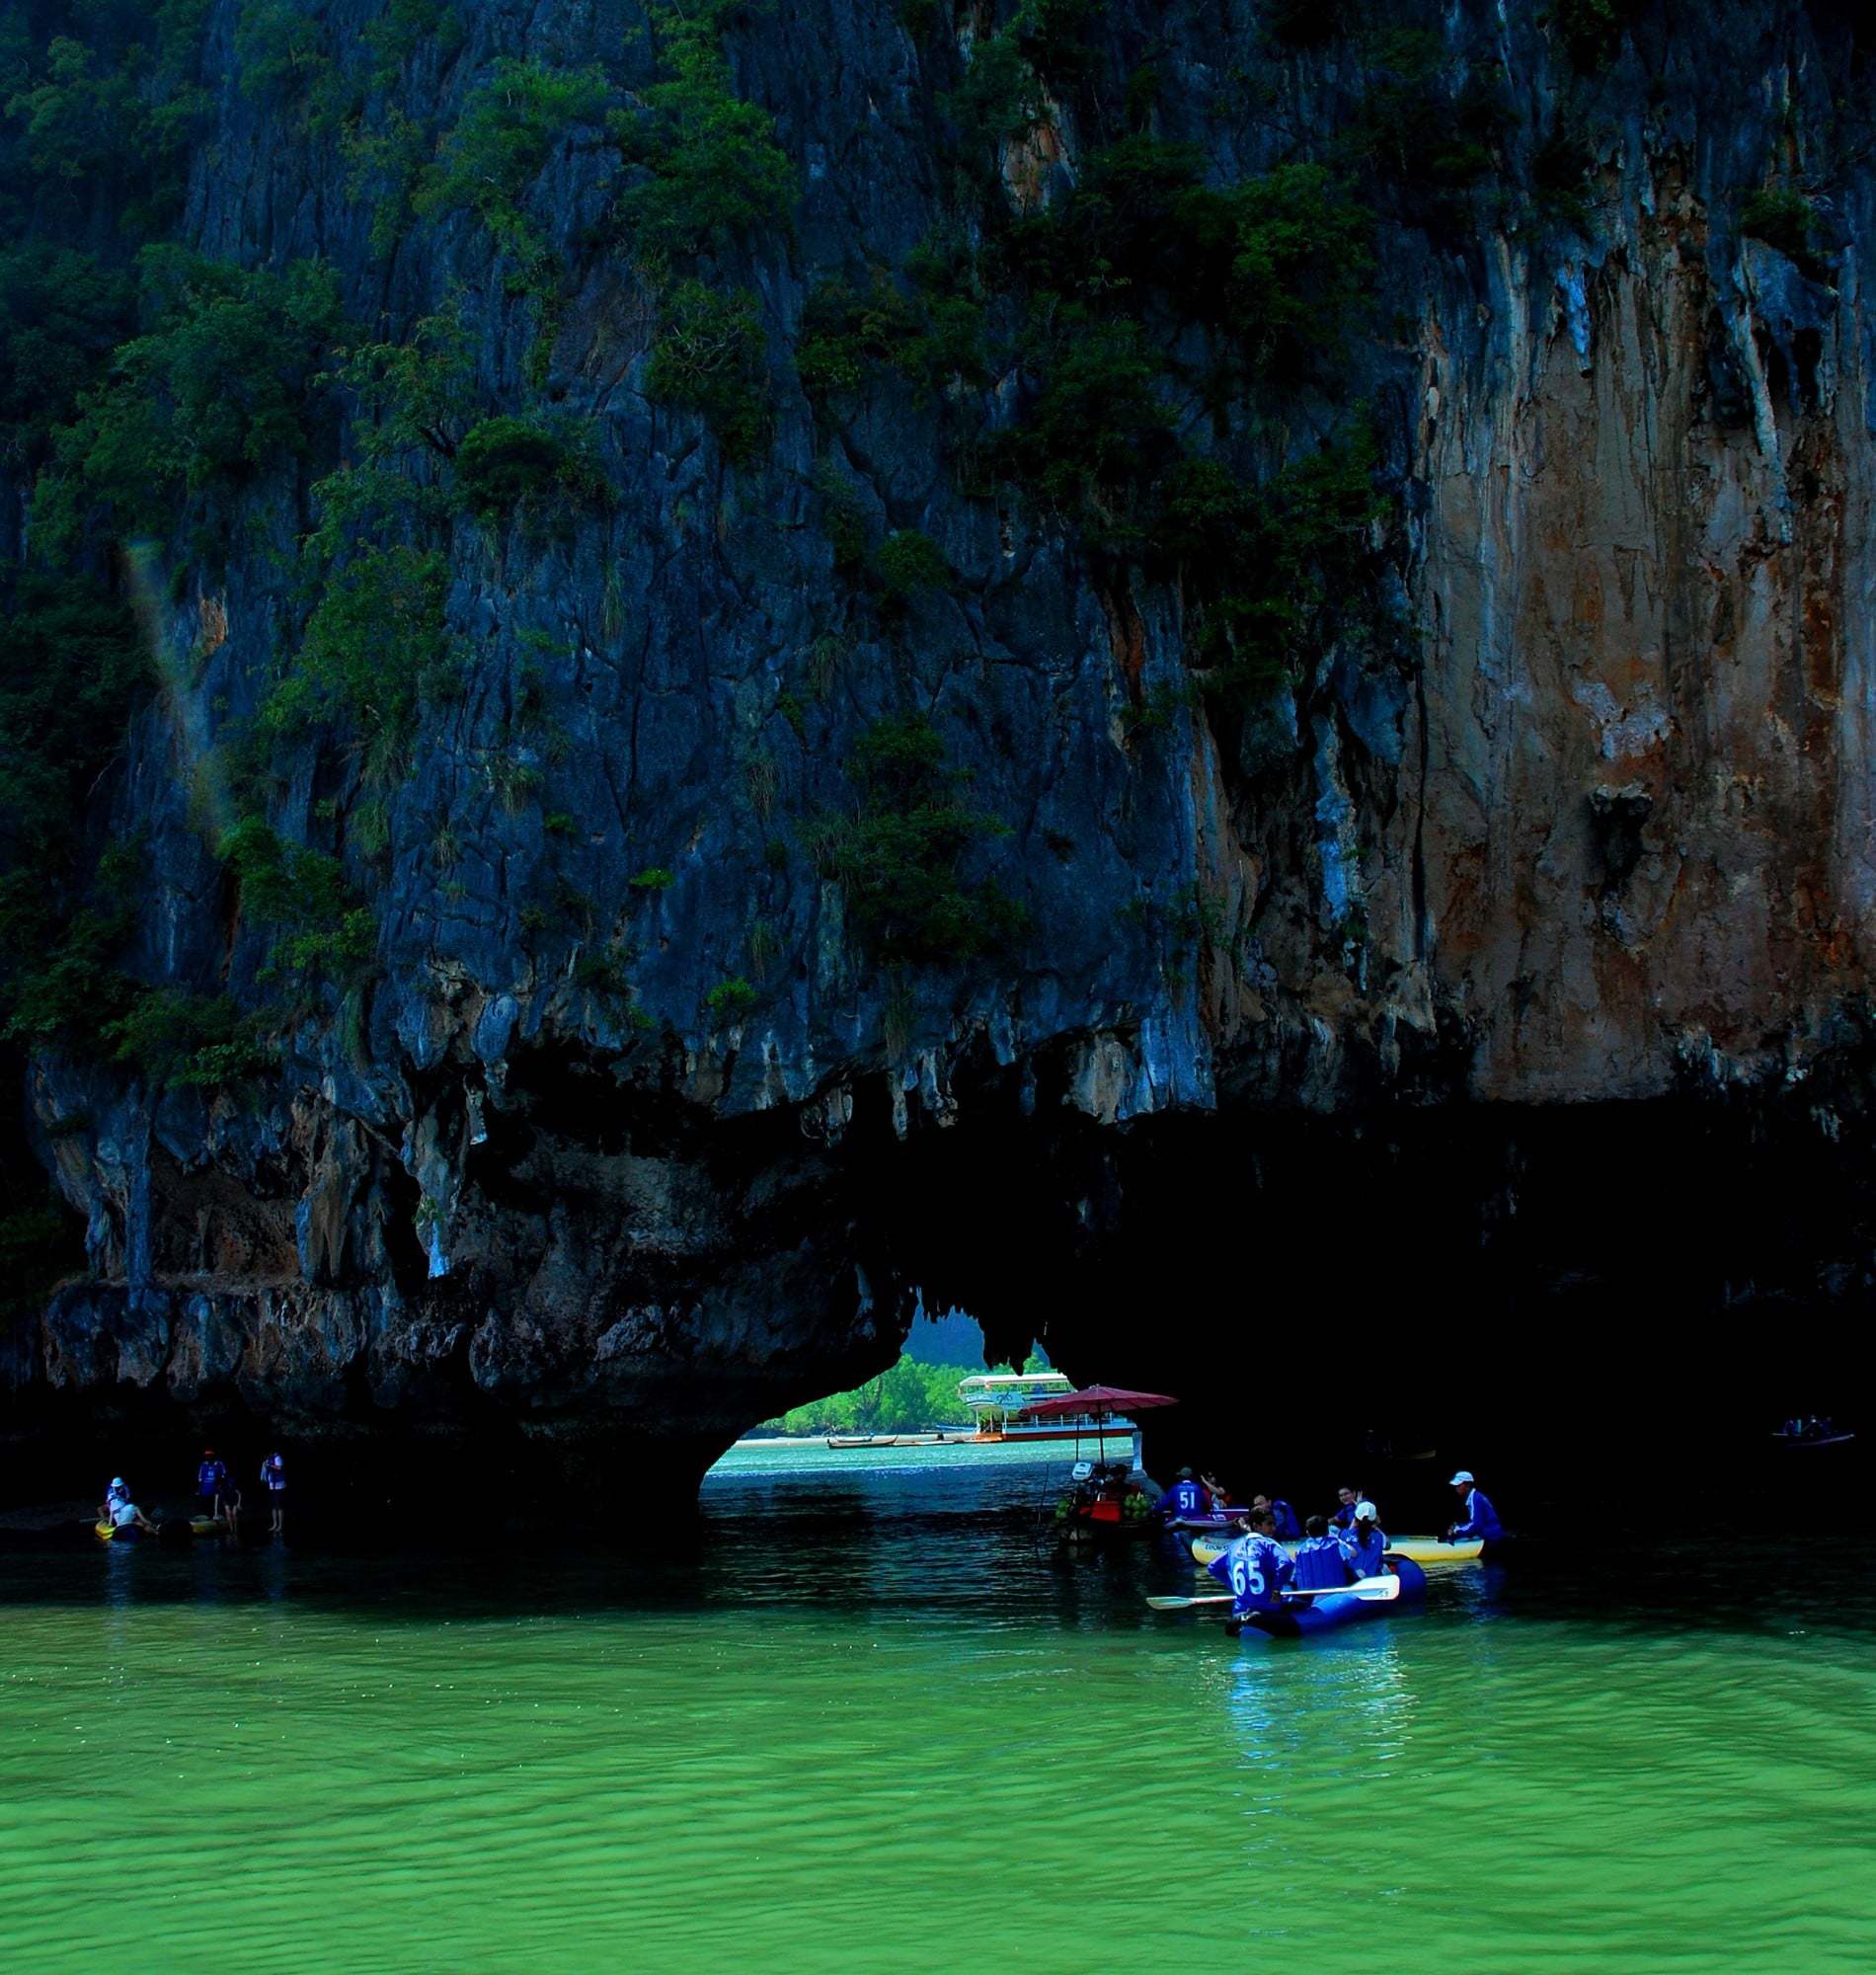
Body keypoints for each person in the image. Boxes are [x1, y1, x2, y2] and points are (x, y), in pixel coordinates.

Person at [1206, 1504, 1296, 1629]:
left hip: (1239, 1613)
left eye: (1274, 1524)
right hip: (1268, 1611)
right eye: (1269, 1524)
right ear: (1256, 1526)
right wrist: (1276, 1590)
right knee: (1290, 1588)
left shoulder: (1233, 1546)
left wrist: (1234, 1585)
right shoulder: (1268, 1544)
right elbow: (1286, 1563)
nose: (1273, 1528)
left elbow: (1212, 1567)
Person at [1292, 1515, 1354, 1590]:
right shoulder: (1337, 1544)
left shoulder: (1300, 1550)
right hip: (1335, 1594)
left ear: (1308, 1533)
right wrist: (1337, 1538)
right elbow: (1354, 1553)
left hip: (1308, 1596)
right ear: (1328, 1531)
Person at [1445, 1469, 1504, 1543]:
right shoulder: (1475, 1496)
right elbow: (1476, 1522)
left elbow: (1476, 1526)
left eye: (1459, 1485)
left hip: (1491, 1536)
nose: (1456, 1487)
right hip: (1492, 1532)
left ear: (1467, 1485)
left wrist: (1456, 1531)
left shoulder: (1475, 1498)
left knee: (1455, 1540)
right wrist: (1459, 1527)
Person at [1339, 1500, 1387, 1580]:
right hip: (1375, 1578)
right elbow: (1387, 1546)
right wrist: (1376, 1526)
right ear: (1375, 1518)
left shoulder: (1343, 1534)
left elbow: (1350, 1532)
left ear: (1355, 1518)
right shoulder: (1380, 1536)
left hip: (1354, 1580)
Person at [196, 1448, 237, 1531]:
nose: (208, 1457)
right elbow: (200, 1477)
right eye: (207, 1456)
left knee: (217, 1504)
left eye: (210, 1456)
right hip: (205, 1489)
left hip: (216, 1489)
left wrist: (220, 1483)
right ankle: (208, 1520)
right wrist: (200, 1489)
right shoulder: (203, 1465)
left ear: (213, 1456)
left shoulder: (219, 1464)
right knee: (206, 1505)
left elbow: (224, 1474)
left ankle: (218, 1519)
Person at [260, 1451, 286, 1534]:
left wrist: (269, 1465)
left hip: (279, 1484)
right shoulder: (268, 1458)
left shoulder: (277, 1457)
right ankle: (275, 1524)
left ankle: (280, 1526)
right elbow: (266, 1469)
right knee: (273, 1506)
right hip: (271, 1484)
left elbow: (279, 1467)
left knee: (279, 1505)